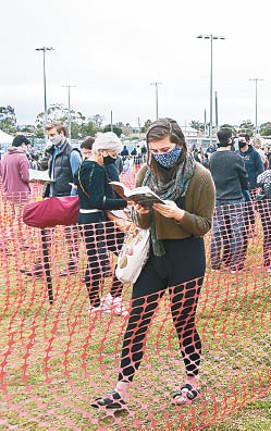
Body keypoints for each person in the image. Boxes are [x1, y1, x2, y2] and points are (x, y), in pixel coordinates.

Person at [92, 117, 215, 410]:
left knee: (183, 321)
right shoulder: (145, 173)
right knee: (137, 321)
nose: (161, 155)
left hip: (187, 256)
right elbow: (142, 223)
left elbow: (204, 224)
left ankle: (191, 381)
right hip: (153, 256)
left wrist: (177, 214)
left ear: (180, 144)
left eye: (166, 148)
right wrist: (139, 211)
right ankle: (121, 389)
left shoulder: (199, 176)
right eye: (155, 149)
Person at [76, 133, 128, 316]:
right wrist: (126, 202)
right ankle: (96, 304)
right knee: (95, 262)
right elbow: (99, 200)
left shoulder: (94, 166)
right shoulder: (93, 169)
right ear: (103, 151)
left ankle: (112, 297)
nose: (114, 158)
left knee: (125, 253)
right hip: (92, 221)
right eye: (113, 154)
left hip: (102, 220)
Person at [21, 122, 82, 277]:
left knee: (71, 235)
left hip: (67, 200)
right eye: (49, 135)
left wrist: (74, 198)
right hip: (52, 197)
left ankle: (73, 264)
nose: (51, 138)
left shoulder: (73, 153)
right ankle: (41, 266)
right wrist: (44, 180)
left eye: (53, 134)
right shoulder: (52, 151)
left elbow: (79, 178)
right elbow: (51, 172)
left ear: (62, 133)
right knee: (46, 232)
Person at [208, 128, 248, 273]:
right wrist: (245, 188)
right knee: (237, 231)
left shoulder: (212, 157)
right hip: (235, 198)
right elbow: (244, 177)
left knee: (217, 232)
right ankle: (235, 265)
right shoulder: (235, 157)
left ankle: (215, 264)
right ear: (230, 140)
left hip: (217, 199)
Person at [236, 133, 264, 238]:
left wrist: (257, 185)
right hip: (238, 186)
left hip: (251, 186)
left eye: (242, 140)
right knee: (241, 209)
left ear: (247, 142)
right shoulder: (236, 153)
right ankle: (243, 228)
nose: (240, 142)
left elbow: (260, 169)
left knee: (250, 208)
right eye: (238, 140)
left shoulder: (254, 154)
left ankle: (252, 228)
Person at [0, 135, 31, 200]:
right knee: (21, 210)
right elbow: (26, 177)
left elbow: (1, 174)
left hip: (7, 194)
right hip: (21, 195)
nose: (27, 148)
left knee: (9, 210)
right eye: (26, 146)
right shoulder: (22, 157)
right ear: (23, 144)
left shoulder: (4, 156)